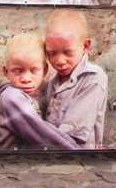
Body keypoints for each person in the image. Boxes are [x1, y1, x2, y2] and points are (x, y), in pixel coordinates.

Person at [0, 33, 77, 151]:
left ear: (44, 70)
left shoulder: (30, 96)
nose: (26, 79)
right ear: (6, 71)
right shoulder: (11, 98)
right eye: (17, 71)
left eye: (34, 71)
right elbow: (42, 135)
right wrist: (81, 152)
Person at [44, 9, 108, 149]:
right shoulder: (52, 81)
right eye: (52, 53)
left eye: (68, 52)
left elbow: (74, 130)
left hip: (80, 155)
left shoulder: (94, 78)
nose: (59, 61)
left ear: (85, 46)